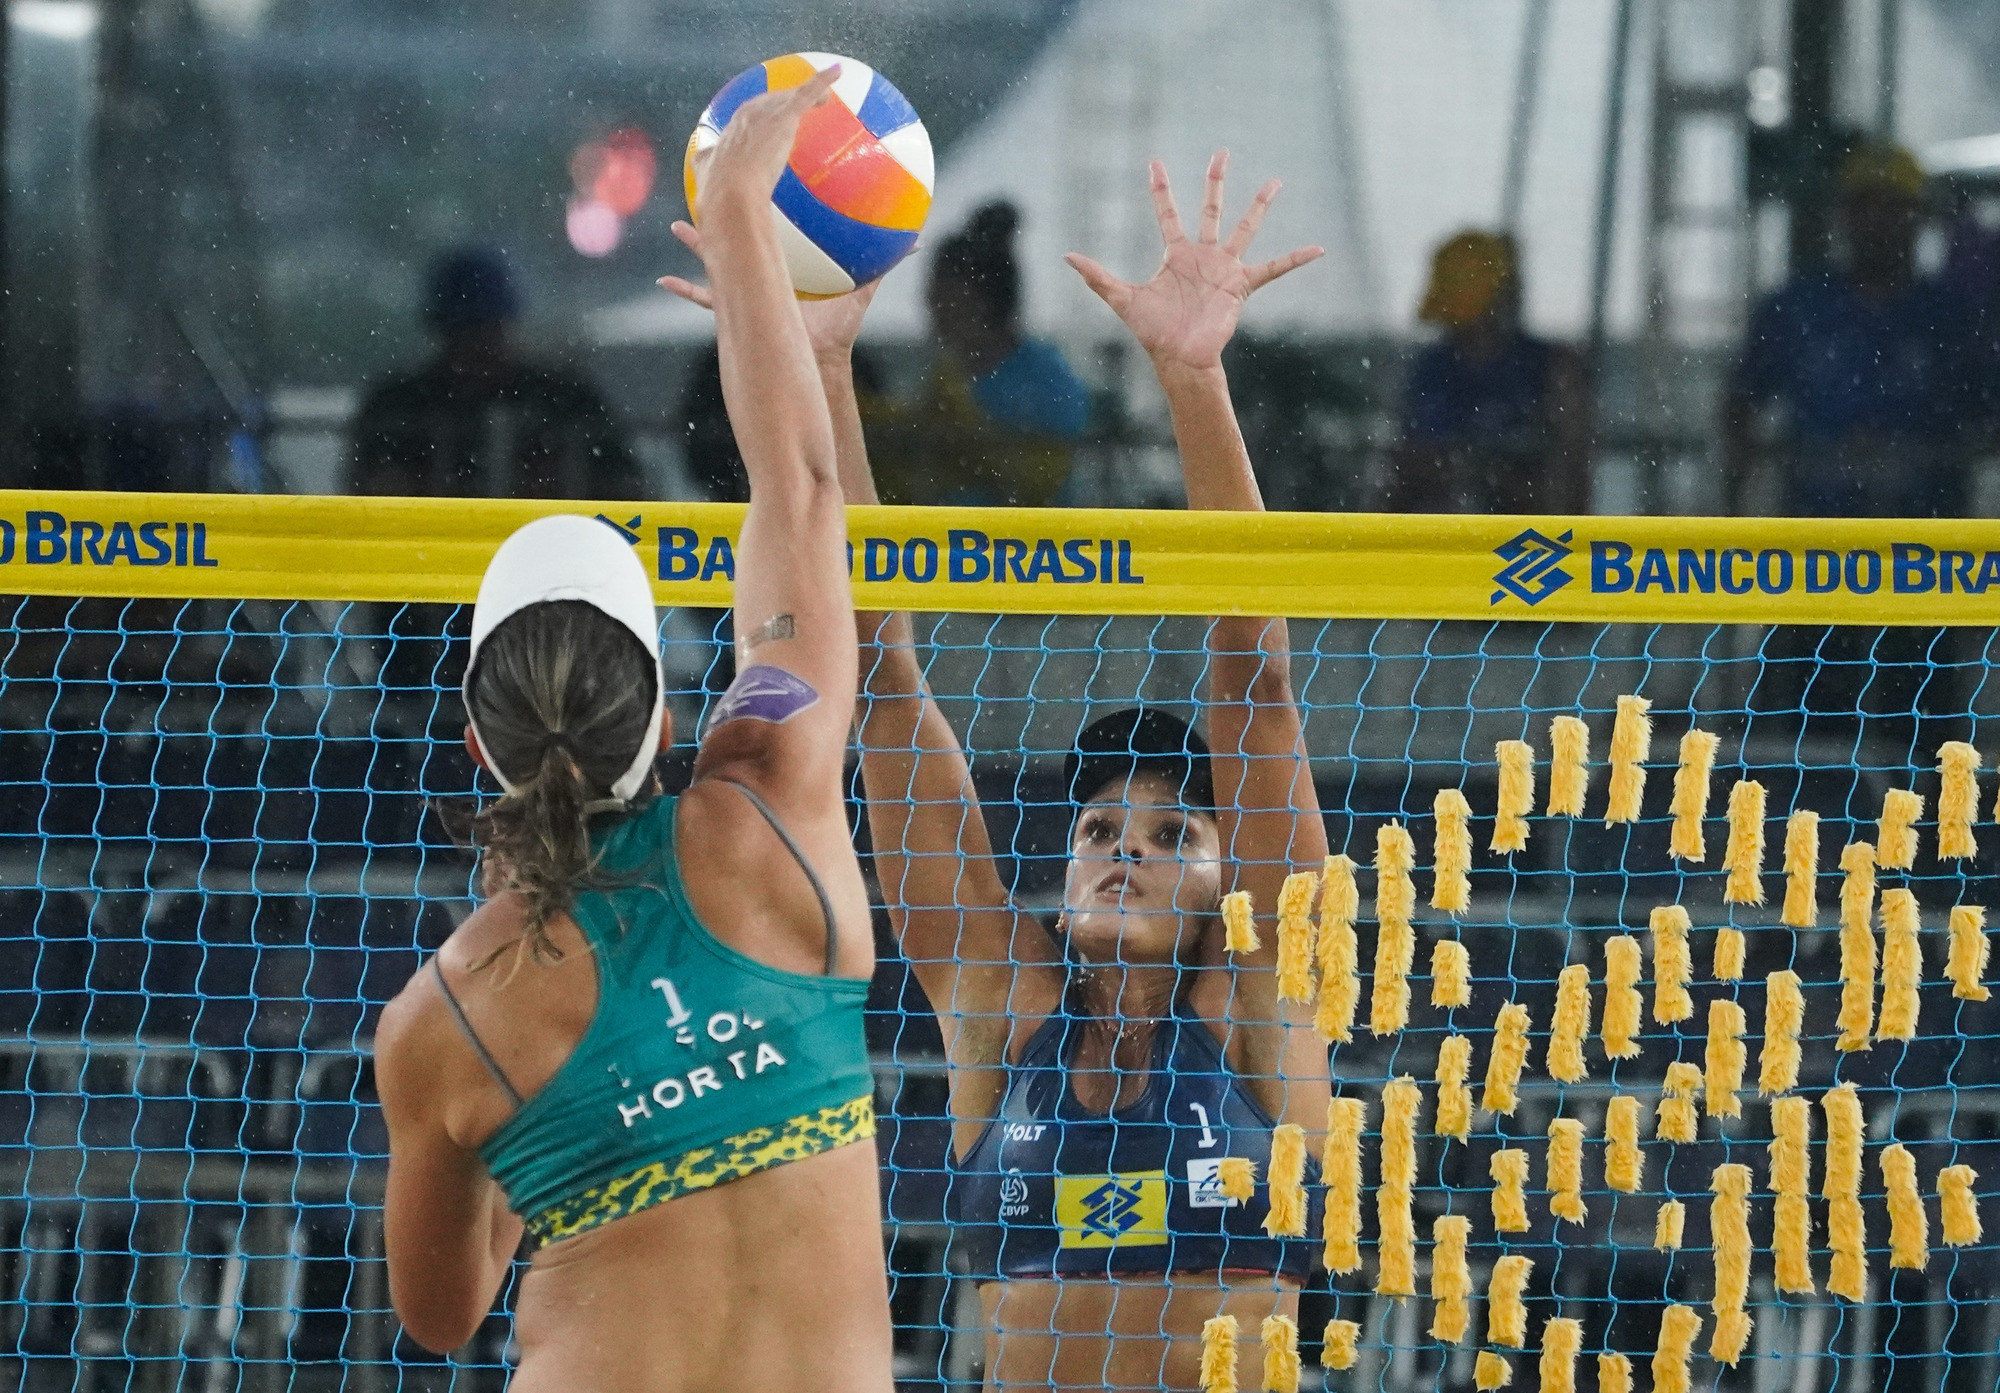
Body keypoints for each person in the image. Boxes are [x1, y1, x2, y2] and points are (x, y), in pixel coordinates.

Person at [373, 67, 893, 1393]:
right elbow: (800, 489)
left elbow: (441, 1315)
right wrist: (742, 228)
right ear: (668, 713)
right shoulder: (770, 805)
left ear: (478, 746)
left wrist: (570, 1122)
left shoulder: (443, 1017)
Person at [859, 155, 1331, 1390]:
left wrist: (1192, 379)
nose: (1126, 843)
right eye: (1099, 827)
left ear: (1226, 882)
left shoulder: (1256, 1002)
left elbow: (1255, 683)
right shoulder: (1003, 1001)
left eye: (1175, 834)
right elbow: (881, 678)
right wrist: (814, 362)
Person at [1722, 142, 1979, 517]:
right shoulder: (1797, 309)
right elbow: (1740, 405)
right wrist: (1734, 510)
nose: (1877, 222)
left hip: (1928, 537)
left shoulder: (1951, 317)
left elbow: (1986, 411)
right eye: (1864, 206)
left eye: (1893, 207)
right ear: (1841, 215)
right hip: (1816, 532)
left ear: (1920, 216)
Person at [349, 245, 642, 500]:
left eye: (487, 331)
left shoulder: (566, 402)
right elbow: (367, 492)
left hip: (553, 543)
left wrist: (563, 486)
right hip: (429, 545)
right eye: (463, 334)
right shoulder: (398, 407)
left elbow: (626, 491)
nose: (478, 348)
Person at [865, 201, 1093, 506]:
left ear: (981, 301)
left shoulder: (1048, 380)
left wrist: (971, 436)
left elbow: (1039, 475)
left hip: (1030, 533)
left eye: (945, 297)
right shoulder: (947, 373)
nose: (932, 307)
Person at [1388, 229, 1592, 514]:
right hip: (1442, 529)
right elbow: (1408, 470)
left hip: (1526, 533)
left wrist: (1492, 476)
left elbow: (1570, 479)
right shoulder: (1431, 370)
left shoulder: (1553, 369)